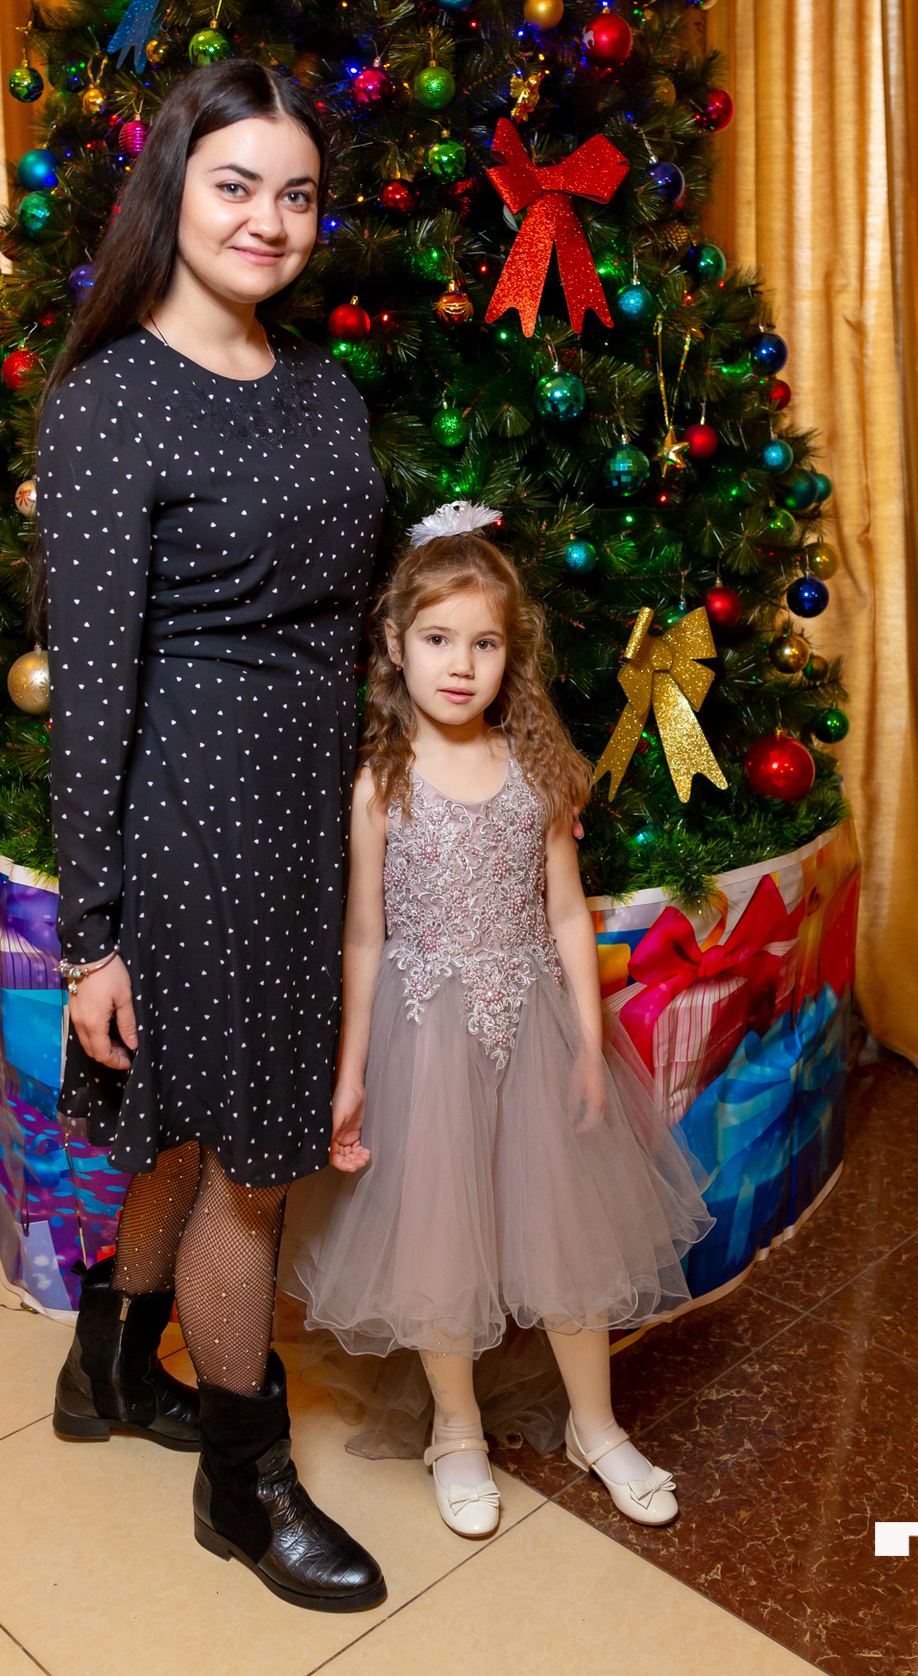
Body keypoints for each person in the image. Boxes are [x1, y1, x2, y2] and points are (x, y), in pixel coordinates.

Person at [35, 60, 387, 1611]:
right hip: (192, 824)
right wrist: (92, 938)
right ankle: (247, 1485)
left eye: (297, 193)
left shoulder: (324, 390)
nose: (270, 219)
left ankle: (108, 1368)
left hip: (301, 816)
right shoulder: (110, 403)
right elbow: (90, 687)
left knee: (189, 1125)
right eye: (238, 184)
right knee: (249, 1164)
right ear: (173, 188)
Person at [282, 505, 713, 1538]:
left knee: (568, 1239)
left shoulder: (536, 772)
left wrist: (589, 1047)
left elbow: (564, 914)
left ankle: (596, 1426)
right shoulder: (377, 784)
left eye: (484, 643)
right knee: (440, 1239)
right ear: (396, 646)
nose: (460, 665)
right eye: (438, 639)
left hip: (534, 1032)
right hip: (420, 1042)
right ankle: (456, 1430)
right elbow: (363, 939)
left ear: (510, 656)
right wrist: (351, 1074)